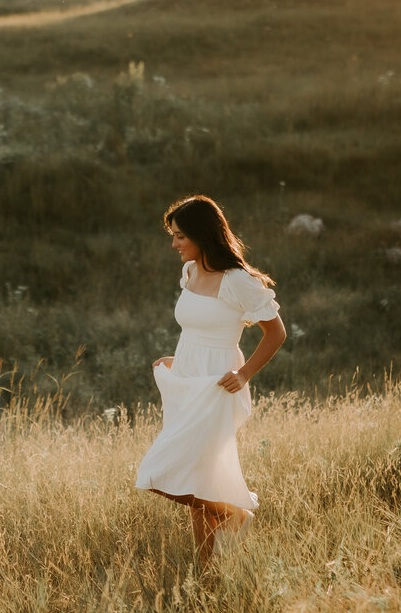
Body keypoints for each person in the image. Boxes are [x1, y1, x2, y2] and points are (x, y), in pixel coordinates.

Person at [135, 194, 287, 568]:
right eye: (173, 236)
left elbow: (276, 333)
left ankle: (236, 515)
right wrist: (178, 358)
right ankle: (206, 569)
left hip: (218, 384)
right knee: (196, 475)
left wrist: (244, 373)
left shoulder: (238, 280)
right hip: (187, 378)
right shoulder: (190, 273)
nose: (174, 244)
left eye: (180, 237)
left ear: (202, 235)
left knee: (158, 473)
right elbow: (197, 327)